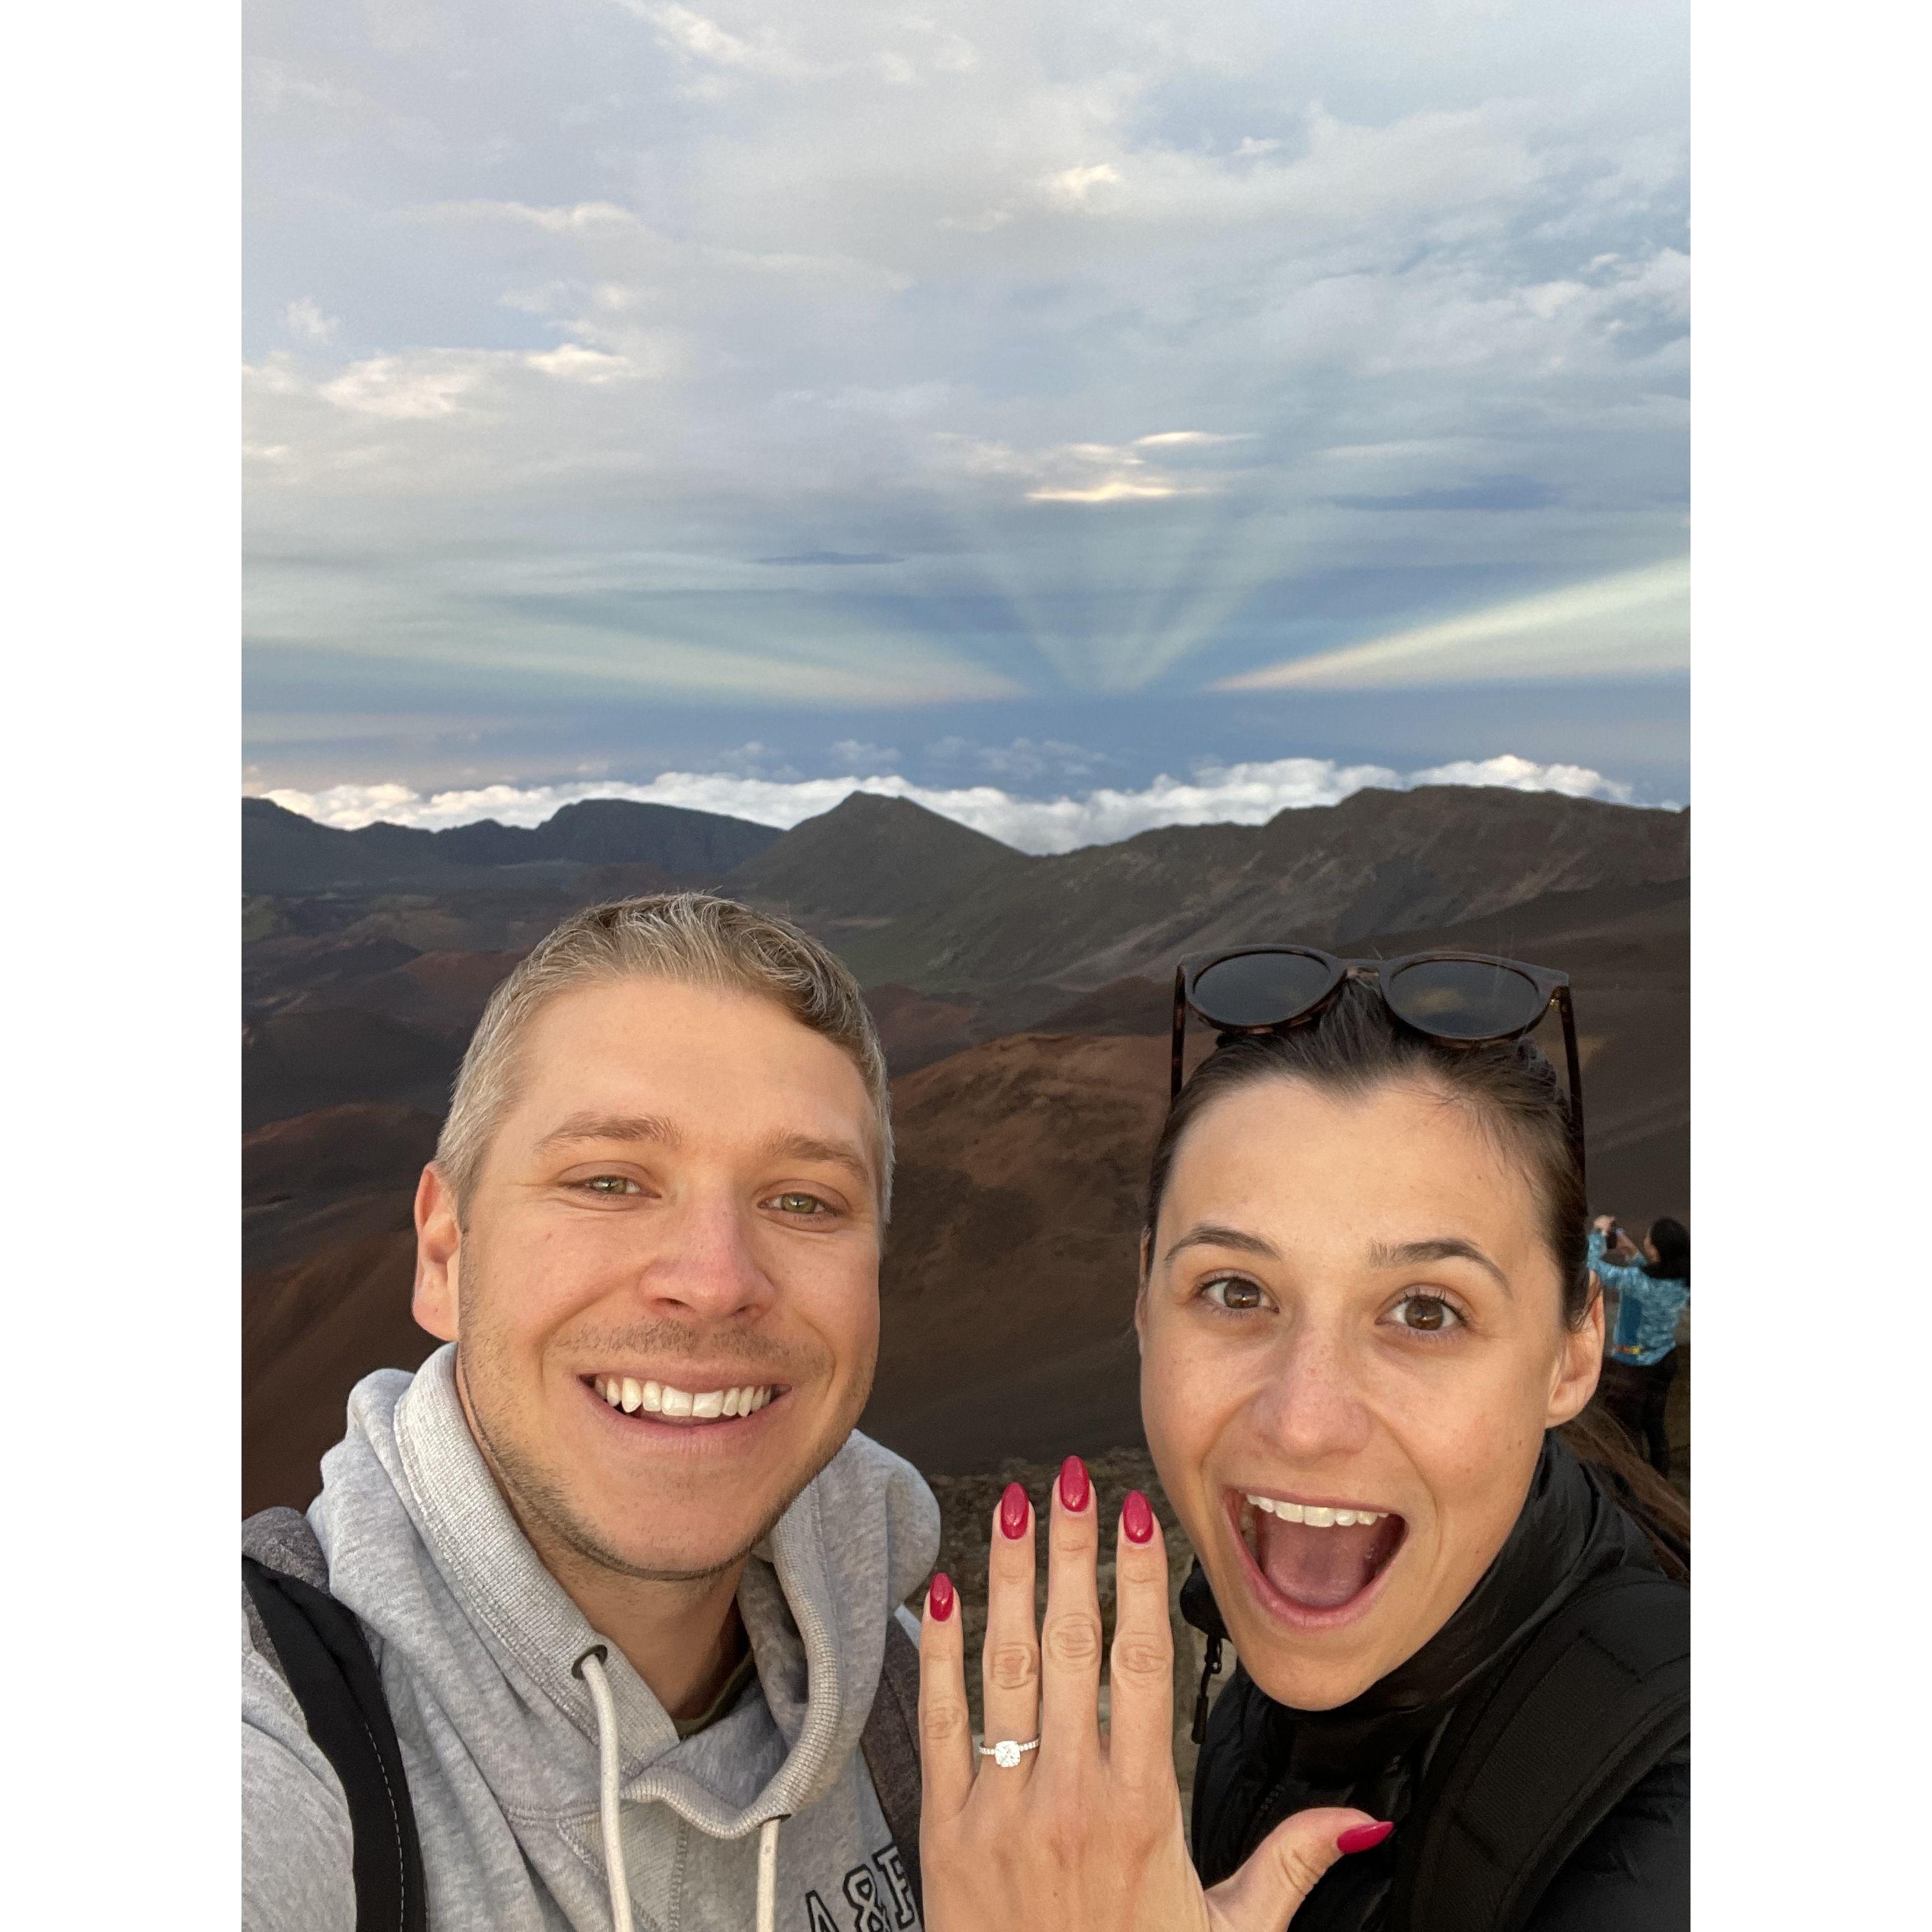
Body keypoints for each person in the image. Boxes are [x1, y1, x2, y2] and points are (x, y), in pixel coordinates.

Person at [915, 970, 1687, 1932]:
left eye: (1426, 1312)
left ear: (1572, 1355)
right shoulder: (1254, 1683)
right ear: (1144, 1300)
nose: (1303, 1423)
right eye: (1236, 1292)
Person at [243, 894, 938, 1932]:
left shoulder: (906, 1698)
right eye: (609, 1180)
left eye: (803, 1199)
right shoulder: (269, 1723)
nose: (715, 1280)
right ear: (445, 1253)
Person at [1587, 1213, 1690, 1477]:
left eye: (1648, 1239)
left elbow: (1590, 1266)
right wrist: (1633, 1255)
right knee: (1655, 1426)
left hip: (1633, 1369)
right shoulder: (1682, 1280)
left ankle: (1635, 1484)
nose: (1644, 1240)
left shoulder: (1637, 1282)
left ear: (1655, 1250)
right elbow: (1653, 1279)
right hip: (1664, 1361)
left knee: (1626, 1431)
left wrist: (1599, 1234)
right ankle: (1661, 1479)